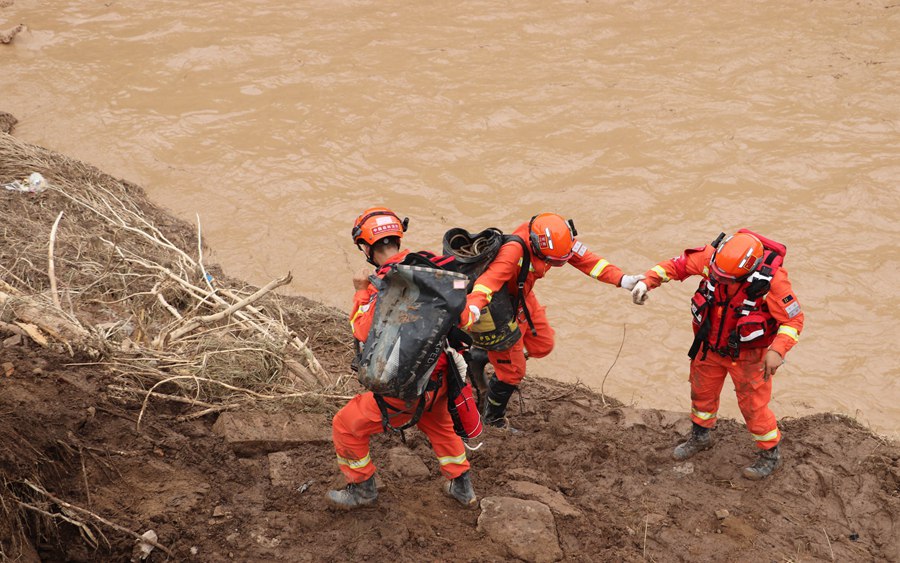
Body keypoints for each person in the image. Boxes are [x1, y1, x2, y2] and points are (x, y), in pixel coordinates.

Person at [327, 207, 477, 509]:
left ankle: (361, 489)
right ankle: (462, 488)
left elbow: (362, 330)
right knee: (439, 424)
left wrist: (360, 291)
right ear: (397, 237)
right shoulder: (434, 268)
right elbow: (463, 317)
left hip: (405, 384)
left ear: (367, 246)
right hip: (443, 377)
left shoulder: (384, 283)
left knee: (346, 425)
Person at [630, 230, 804, 479]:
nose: (721, 281)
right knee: (701, 394)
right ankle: (701, 437)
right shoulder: (713, 260)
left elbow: (793, 319)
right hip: (708, 346)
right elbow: (675, 267)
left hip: (748, 356)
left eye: (728, 279)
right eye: (717, 276)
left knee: (754, 407)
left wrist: (778, 350)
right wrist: (646, 281)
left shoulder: (773, 281)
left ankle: (770, 455)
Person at [459, 213, 642, 430]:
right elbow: (488, 282)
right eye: (555, 262)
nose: (558, 264)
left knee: (543, 345)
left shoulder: (557, 239)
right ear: (536, 247)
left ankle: (481, 356)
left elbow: (587, 261)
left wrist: (622, 279)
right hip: (501, 312)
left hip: (522, 299)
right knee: (513, 373)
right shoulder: (513, 252)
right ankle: (493, 418)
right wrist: (473, 306)